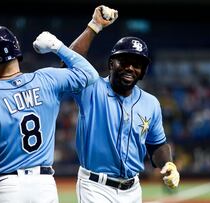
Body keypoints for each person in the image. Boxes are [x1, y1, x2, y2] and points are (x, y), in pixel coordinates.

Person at [0, 25, 99, 203]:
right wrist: (57, 46)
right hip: (43, 186)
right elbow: (90, 74)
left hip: (6, 187)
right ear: (17, 51)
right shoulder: (47, 80)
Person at [66, 5, 180, 202]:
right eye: (124, 61)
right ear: (111, 64)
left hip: (133, 189)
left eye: (137, 64)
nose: (130, 67)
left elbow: (157, 144)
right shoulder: (92, 88)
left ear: (143, 71)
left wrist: (168, 164)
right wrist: (94, 26)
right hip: (95, 187)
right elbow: (69, 62)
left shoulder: (150, 103)